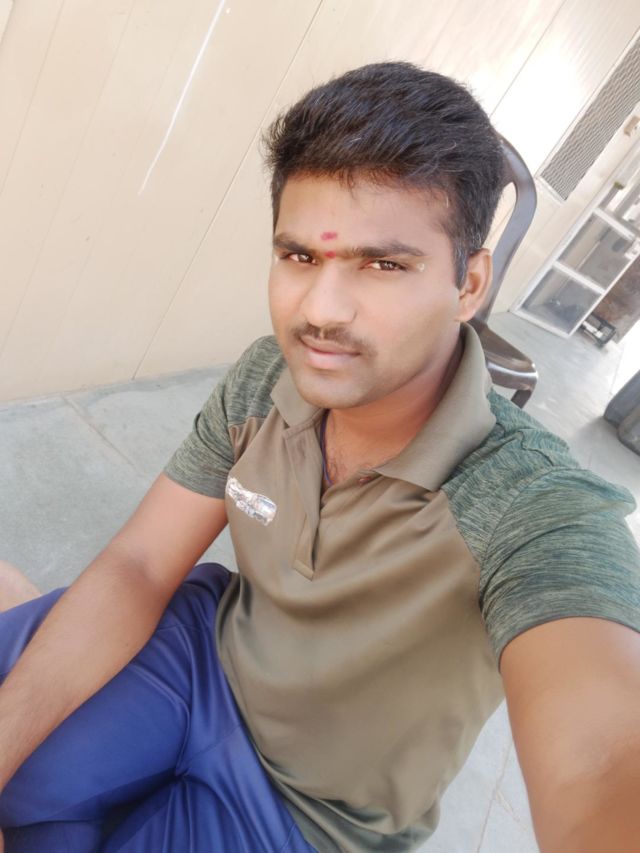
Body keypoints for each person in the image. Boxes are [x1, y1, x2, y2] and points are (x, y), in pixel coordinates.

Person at [1, 61, 640, 853]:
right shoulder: (265, 378)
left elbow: (604, 763)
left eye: (384, 264)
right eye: (301, 256)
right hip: (202, 658)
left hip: (312, 818)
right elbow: (139, 563)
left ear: (470, 283)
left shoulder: (531, 507)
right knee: (22, 776)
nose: (320, 311)